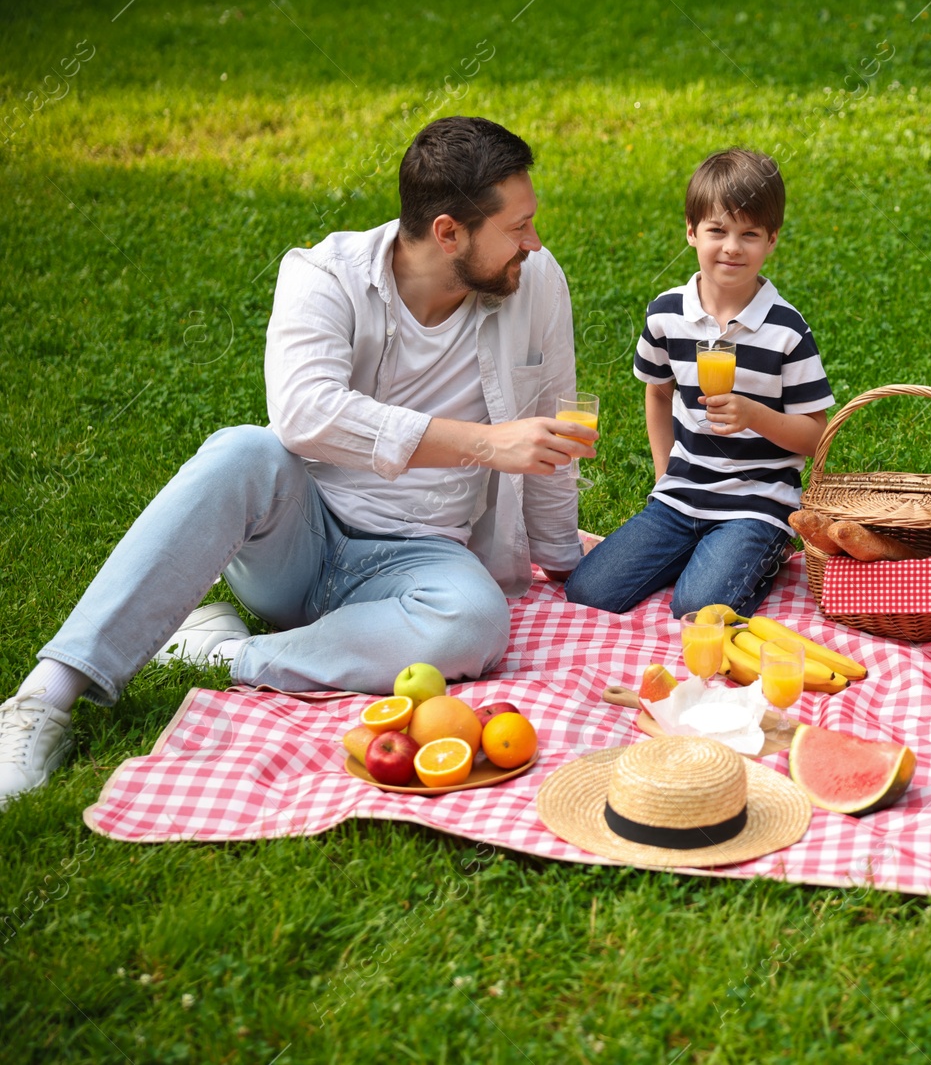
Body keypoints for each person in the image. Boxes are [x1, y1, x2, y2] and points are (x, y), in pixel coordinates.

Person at [0, 116, 596, 808]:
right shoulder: (325, 276)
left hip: (423, 558)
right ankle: (45, 697)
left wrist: (562, 559)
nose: (536, 241)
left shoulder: (537, 282)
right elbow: (305, 413)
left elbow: (555, 425)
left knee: (477, 622)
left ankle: (225, 655)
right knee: (243, 449)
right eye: (518, 227)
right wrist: (484, 442)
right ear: (448, 232)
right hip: (300, 541)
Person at [565, 149, 833, 618]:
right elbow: (657, 391)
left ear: (771, 240)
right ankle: (698, 551)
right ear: (691, 231)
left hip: (757, 503)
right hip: (681, 494)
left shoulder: (786, 329)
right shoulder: (667, 314)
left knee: (697, 606)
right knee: (589, 591)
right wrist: (662, 473)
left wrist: (754, 415)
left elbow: (816, 437)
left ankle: (757, 553)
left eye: (749, 234)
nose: (732, 247)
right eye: (717, 231)